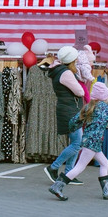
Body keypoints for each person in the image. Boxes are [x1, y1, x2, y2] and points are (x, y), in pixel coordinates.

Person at [48, 82, 108, 201]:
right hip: (93, 143)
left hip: (88, 141)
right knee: (79, 167)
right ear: (105, 97)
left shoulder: (88, 107)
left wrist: (72, 128)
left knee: (104, 162)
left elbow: (74, 121)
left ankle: (107, 190)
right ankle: (57, 186)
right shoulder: (106, 109)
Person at [44, 46, 87, 184]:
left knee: (75, 142)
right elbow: (79, 92)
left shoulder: (59, 71)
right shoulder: (66, 73)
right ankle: (53, 167)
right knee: (77, 144)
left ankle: (69, 173)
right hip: (70, 111)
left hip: (68, 109)